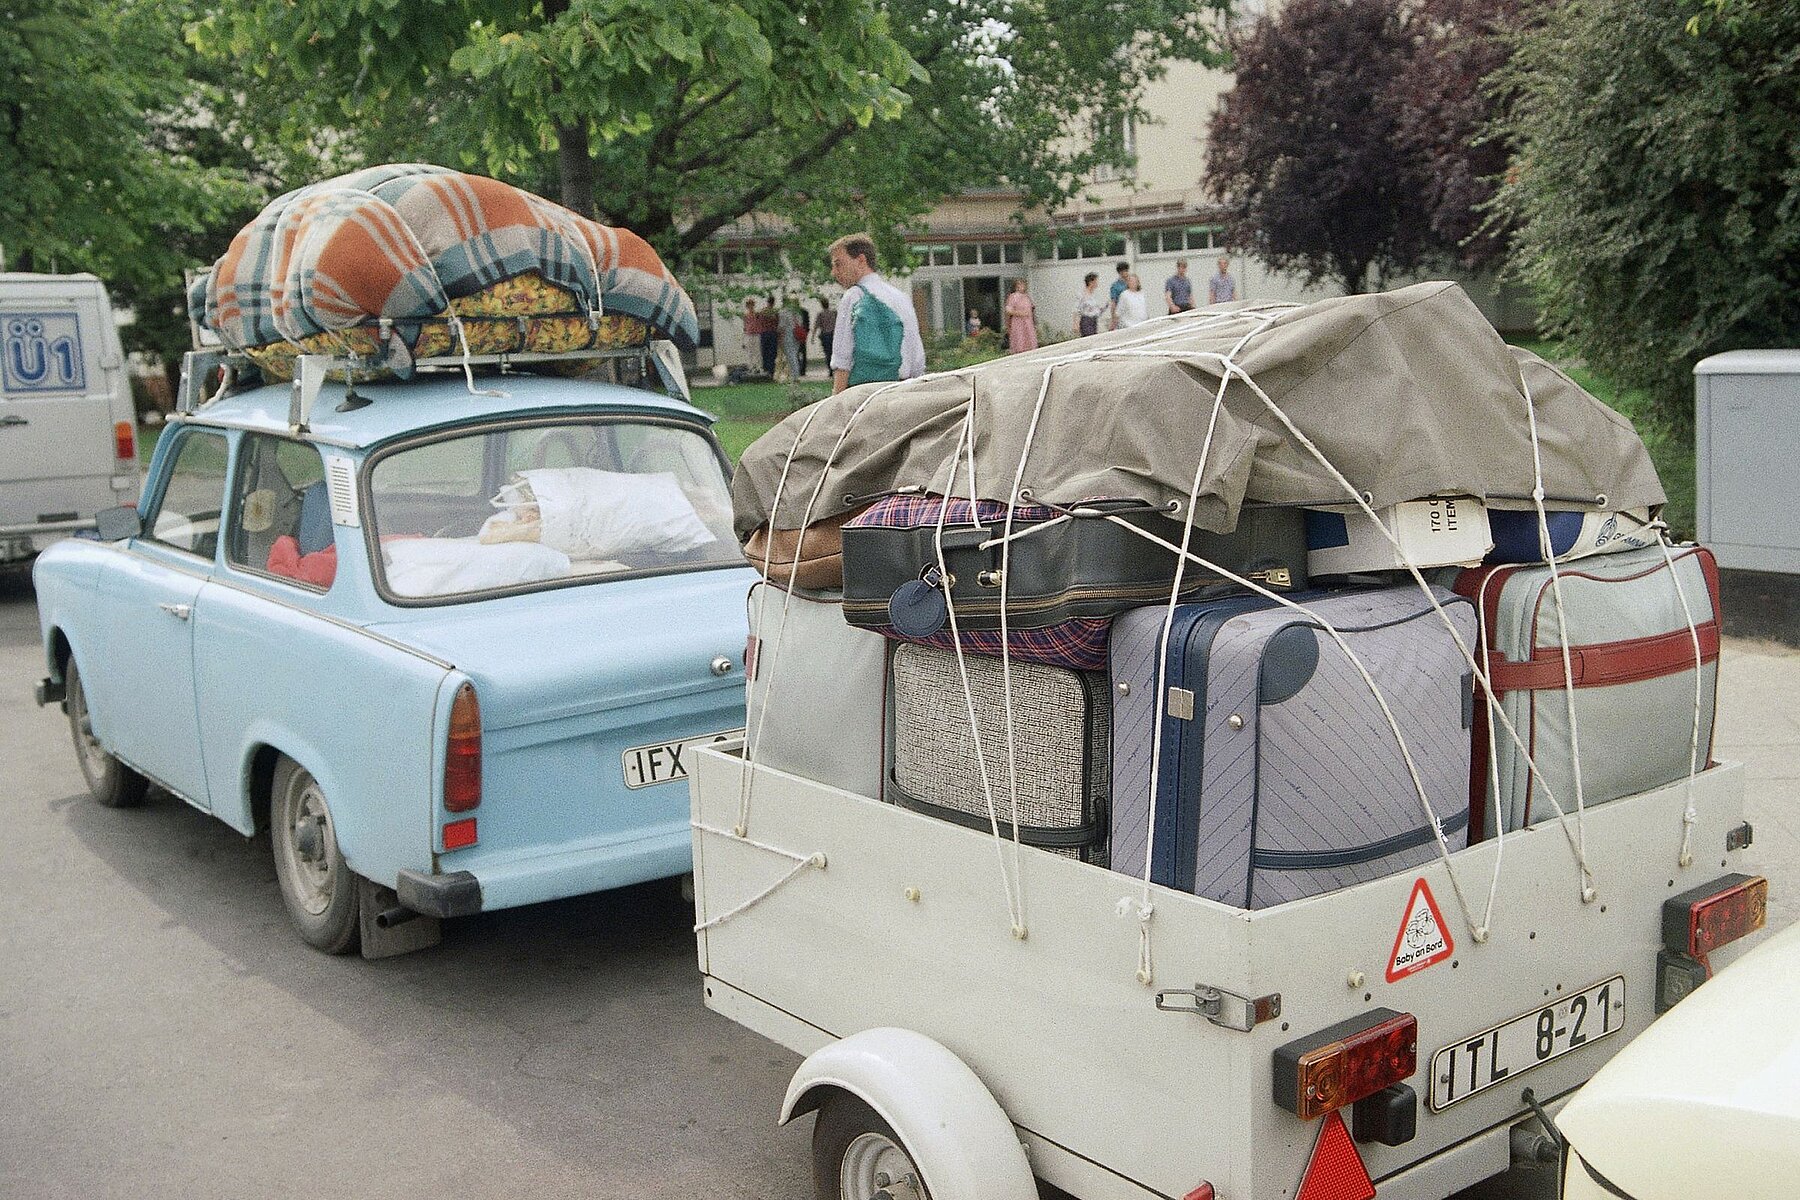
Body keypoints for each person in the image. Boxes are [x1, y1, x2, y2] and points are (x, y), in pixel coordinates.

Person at [827, 233, 925, 394]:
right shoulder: (902, 298)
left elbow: (842, 359)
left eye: (839, 264)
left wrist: (835, 403)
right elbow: (917, 359)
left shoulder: (854, 296)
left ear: (861, 260)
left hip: (866, 393)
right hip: (903, 392)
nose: (834, 272)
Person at [1003, 279, 1038, 354]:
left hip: (1028, 322)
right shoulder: (1013, 296)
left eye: (1024, 284)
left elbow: (1031, 309)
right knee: (1020, 340)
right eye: (1020, 284)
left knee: (1030, 342)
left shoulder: (1026, 297)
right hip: (1018, 322)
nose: (1023, 286)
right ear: (1016, 286)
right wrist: (1021, 313)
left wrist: (1034, 321)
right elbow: (1008, 310)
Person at [1073, 272, 1108, 337]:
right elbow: (1077, 309)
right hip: (1086, 320)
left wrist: (1104, 307)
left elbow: (1096, 310)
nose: (1097, 284)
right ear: (1090, 282)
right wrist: (1076, 323)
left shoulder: (1094, 295)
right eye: (1095, 281)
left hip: (1094, 320)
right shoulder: (1082, 295)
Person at [776, 299, 803, 382]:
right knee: (794, 354)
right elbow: (800, 323)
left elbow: (781, 326)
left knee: (791, 356)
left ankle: (795, 376)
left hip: (787, 334)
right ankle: (795, 374)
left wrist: (780, 337)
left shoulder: (783, 313)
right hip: (797, 333)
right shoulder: (797, 313)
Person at [756, 296, 780, 376]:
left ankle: (765, 369)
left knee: (764, 352)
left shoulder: (762, 311)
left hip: (764, 333)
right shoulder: (775, 312)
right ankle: (771, 370)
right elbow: (777, 323)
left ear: (767, 302)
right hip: (773, 333)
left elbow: (759, 322)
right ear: (773, 302)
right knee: (772, 353)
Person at [1107, 260, 1131, 329]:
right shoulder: (1115, 286)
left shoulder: (1131, 283)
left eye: (1127, 270)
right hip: (1121, 312)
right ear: (1120, 272)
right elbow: (1113, 302)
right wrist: (1113, 318)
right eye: (1124, 271)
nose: (1126, 273)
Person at [817, 300, 837, 365]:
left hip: (824, 334)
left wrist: (813, 336)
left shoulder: (821, 314)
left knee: (826, 351)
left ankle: (829, 365)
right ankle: (833, 365)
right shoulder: (833, 313)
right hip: (832, 334)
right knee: (832, 350)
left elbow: (817, 324)